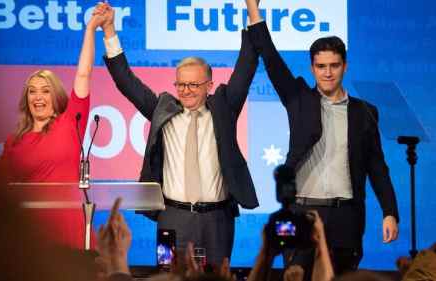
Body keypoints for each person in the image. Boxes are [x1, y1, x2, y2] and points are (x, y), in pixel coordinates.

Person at [95, 2, 259, 265]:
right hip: (172, 218)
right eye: (181, 84)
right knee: (167, 275)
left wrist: (253, 12)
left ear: (209, 85)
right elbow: (126, 81)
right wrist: (109, 30)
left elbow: (247, 65)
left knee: (217, 278)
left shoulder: (224, 108)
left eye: (194, 84)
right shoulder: (163, 108)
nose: (186, 90)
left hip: (217, 221)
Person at [244, 0, 399, 277]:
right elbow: (271, 59)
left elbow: (377, 167)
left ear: (345, 66)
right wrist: (253, 9)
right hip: (302, 211)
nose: (327, 72)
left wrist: (390, 212)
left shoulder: (365, 112)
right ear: (312, 68)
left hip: (346, 216)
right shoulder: (298, 98)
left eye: (334, 65)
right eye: (321, 66)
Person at [0, 9, 105, 248]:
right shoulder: (13, 142)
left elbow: (83, 73)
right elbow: (1, 194)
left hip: (70, 232)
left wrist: (90, 30)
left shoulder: (69, 123)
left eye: (45, 90)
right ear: (26, 98)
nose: (38, 97)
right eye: (32, 91)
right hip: (30, 238)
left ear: (56, 96)